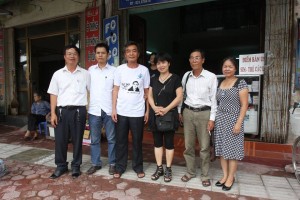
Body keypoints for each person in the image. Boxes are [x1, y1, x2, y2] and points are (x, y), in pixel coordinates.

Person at [47, 44, 90, 179]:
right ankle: (61, 166)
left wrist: (87, 109)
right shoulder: (58, 74)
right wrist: (53, 113)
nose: (72, 56)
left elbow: (90, 92)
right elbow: (53, 94)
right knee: (60, 140)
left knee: (78, 140)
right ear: (65, 57)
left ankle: (76, 166)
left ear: (78, 57)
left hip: (79, 111)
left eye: (74, 54)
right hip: (62, 112)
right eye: (69, 54)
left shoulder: (85, 74)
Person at [178, 49, 217, 187]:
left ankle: (205, 175)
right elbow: (182, 94)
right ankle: (190, 172)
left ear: (203, 60)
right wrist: (179, 111)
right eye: (192, 58)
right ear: (189, 60)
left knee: (204, 146)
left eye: (197, 58)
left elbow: (214, 100)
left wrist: (212, 119)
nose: (194, 60)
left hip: (204, 114)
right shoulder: (186, 76)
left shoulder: (211, 77)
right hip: (188, 112)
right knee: (188, 146)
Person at [112, 41, 150, 179]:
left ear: (138, 54)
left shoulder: (144, 70)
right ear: (125, 54)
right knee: (121, 141)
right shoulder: (119, 69)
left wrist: (147, 111)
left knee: (137, 141)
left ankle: (138, 167)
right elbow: (115, 90)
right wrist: (113, 109)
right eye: (128, 51)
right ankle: (120, 167)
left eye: (134, 51)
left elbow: (147, 92)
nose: (131, 53)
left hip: (138, 112)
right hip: (121, 111)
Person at [214, 57, 248, 191]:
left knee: (232, 151)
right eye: (225, 66)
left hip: (234, 119)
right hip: (220, 119)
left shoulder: (240, 83)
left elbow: (244, 105)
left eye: (230, 66)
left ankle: (231, 177)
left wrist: (239, 122)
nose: (227, 69)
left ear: (235, 68)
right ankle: (225, 175)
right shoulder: (221, 82)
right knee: (222, 150)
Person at [148, 52, 182, 182]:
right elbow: (149, 96)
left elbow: (179, 96)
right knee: (157, 143)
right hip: (156, 115)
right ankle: (159, 168)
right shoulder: (154, 79)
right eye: (158, 63)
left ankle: (168, 168)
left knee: (169, 143)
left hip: (169, 115)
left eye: (163, 62)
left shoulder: (175, 78)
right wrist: (155, 108)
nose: (161, 65)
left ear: (169, 63)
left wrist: (166, 109)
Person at [87, 42, 116, 175]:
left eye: (103, 53)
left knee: (111, 138)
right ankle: (96, 163)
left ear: (108, 55)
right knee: (95, 139)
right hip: (94, 109)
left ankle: (112, 163)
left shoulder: (114, 71)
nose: (100, 55)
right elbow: (87, 89)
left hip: (109, 109)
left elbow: (116, 91)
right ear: (95, 55)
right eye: (98, 53)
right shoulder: (90, 70)